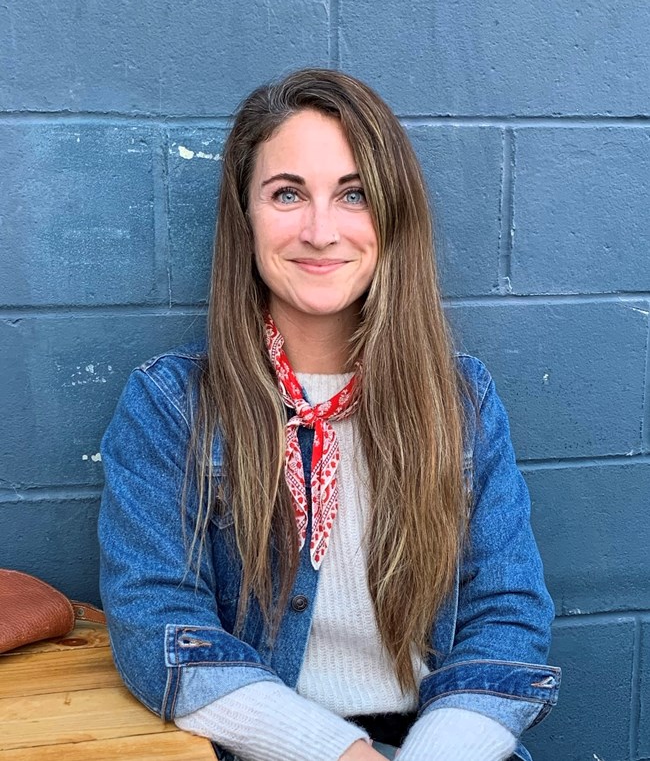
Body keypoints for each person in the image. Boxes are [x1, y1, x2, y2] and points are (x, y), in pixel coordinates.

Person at [98, 69, 560, 761]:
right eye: (287, 194)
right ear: (245, 213)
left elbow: (508, 616)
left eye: (354, 194)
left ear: (392, 213)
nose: (321, 231)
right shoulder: (169, 406)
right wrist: (338, 754)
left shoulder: (461, 401)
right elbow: (157, 628)